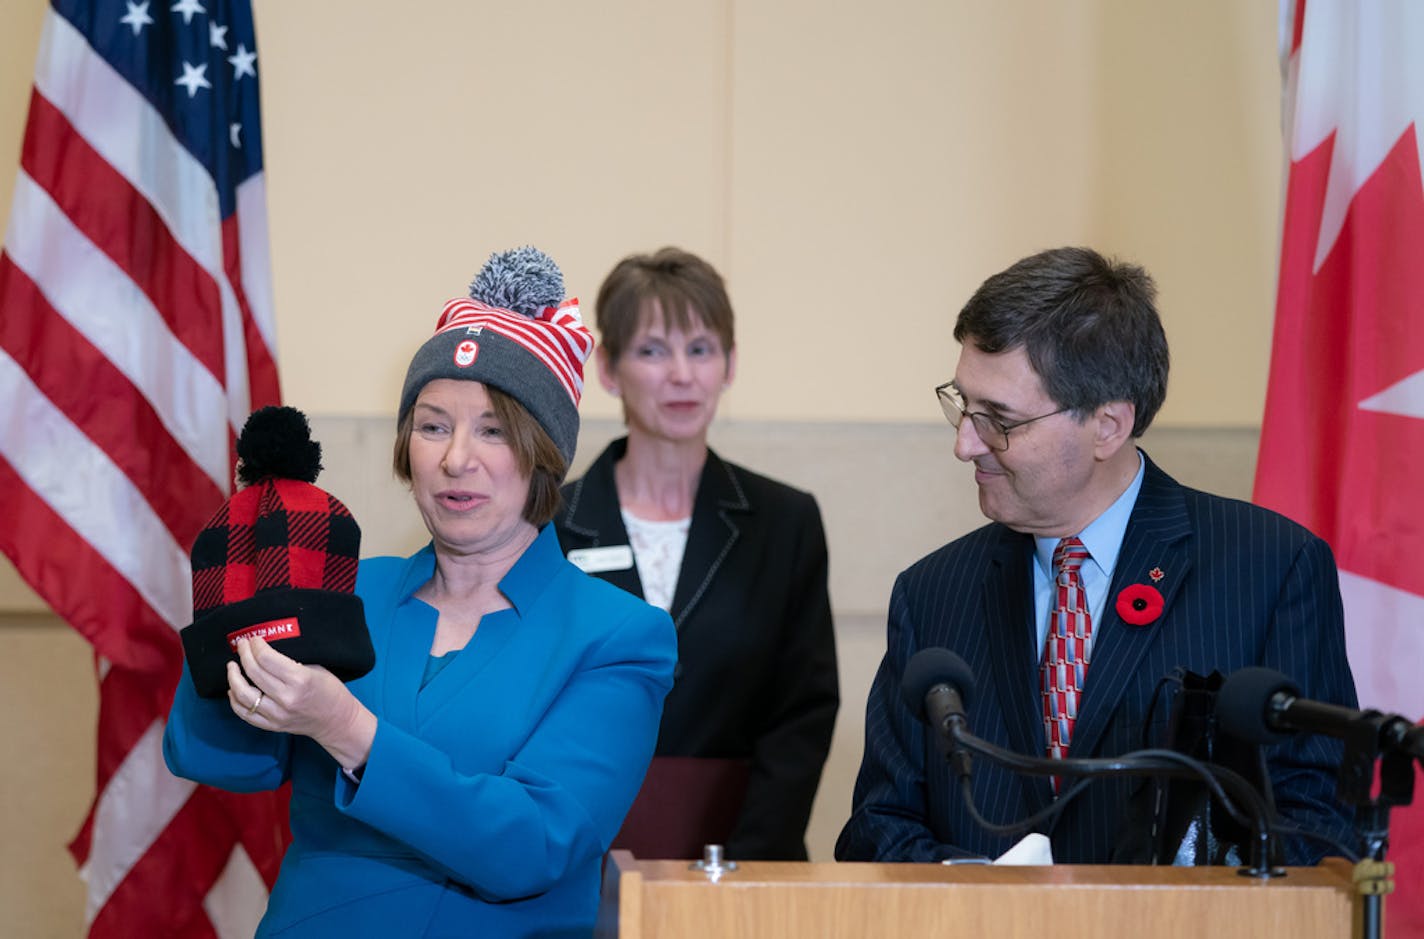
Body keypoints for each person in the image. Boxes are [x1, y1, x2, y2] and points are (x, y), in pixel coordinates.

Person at [164, 247, 677, 936]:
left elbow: (534, 843)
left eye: (492, 430)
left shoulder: (617, 635)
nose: (454, 458)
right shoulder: (347, 587)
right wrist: (231, 613)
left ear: (543, 456)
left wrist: (346, 729)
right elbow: (216, 757)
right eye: (433, 425)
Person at [836, 246, 1358, 866]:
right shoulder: (931, 594)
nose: (964, 443)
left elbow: (1315, 827)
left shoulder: (1271, 569)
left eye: (998, 418)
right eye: (962, 405)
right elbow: (878, 826)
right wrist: (979, 895)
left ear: (1108, 426)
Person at [555, 247, 838, 861]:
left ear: (729, 364)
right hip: (573, 852)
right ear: (607, 368)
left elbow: (801, 718)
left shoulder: (785, 522)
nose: (680, 374)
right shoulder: (548, 523)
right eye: (653, 350)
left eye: (701, 349)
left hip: (746, 856)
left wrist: (745, 864)